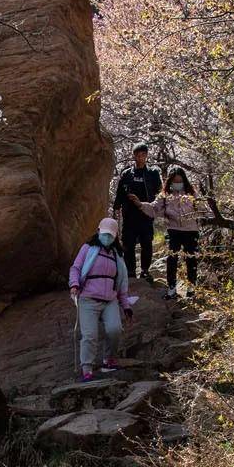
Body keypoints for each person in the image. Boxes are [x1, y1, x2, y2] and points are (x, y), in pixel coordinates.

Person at [69, 217, 133, 381]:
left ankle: (109, 360)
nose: (107, 238)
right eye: (104, 234)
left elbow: (121, 283)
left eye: (110, 235)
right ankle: (87, 369)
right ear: (98, 231)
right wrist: (74, 284)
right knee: (89, 335)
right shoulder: (87, 248)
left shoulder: (117, 256)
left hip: (110, 300)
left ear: (115, 236)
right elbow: (76, 268)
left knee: (115, 330)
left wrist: (126, 306)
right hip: (88, 298)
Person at [129, 166, 205, 299]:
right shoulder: (164, 196)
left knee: (191, 259)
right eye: (175, 181)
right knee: (172, 259)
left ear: (184, 180)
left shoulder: (192, 193)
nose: (177, 184)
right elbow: (153, 208)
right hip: (174, 230)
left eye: (180, 181)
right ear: (170, 181)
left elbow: (203, 209)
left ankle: (191, 288)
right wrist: (140, 204)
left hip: (191, 230)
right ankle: (171, 287)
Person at [112, 142, 162, 280]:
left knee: (147, 242)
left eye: (143, 155)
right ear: (133, 156)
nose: (140, 158)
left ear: (146, 156)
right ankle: (131, 271)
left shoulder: (153, 173)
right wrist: (116, 207)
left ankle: (145, 270)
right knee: (128, 243)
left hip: (146, 213)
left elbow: (160, 192)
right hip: (129, 214)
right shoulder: (127, 174)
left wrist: (155, 207)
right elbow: (120, 193)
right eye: (137, 155)